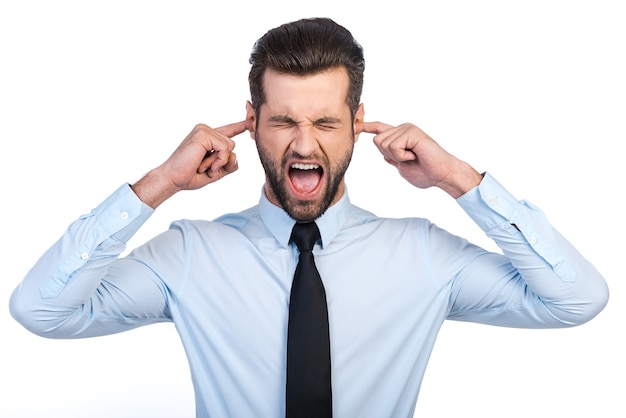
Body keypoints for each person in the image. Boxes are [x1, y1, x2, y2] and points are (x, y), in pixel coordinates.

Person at [10, 17, 609, 417]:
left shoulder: (422, 254)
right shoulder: (190, 254)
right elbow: (41, 310)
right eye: (283, 121)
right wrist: (159, 184)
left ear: (358, 121)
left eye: (325, 122)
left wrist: (459, 179)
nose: (304, 145)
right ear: (250, 121)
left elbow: (575, 299)